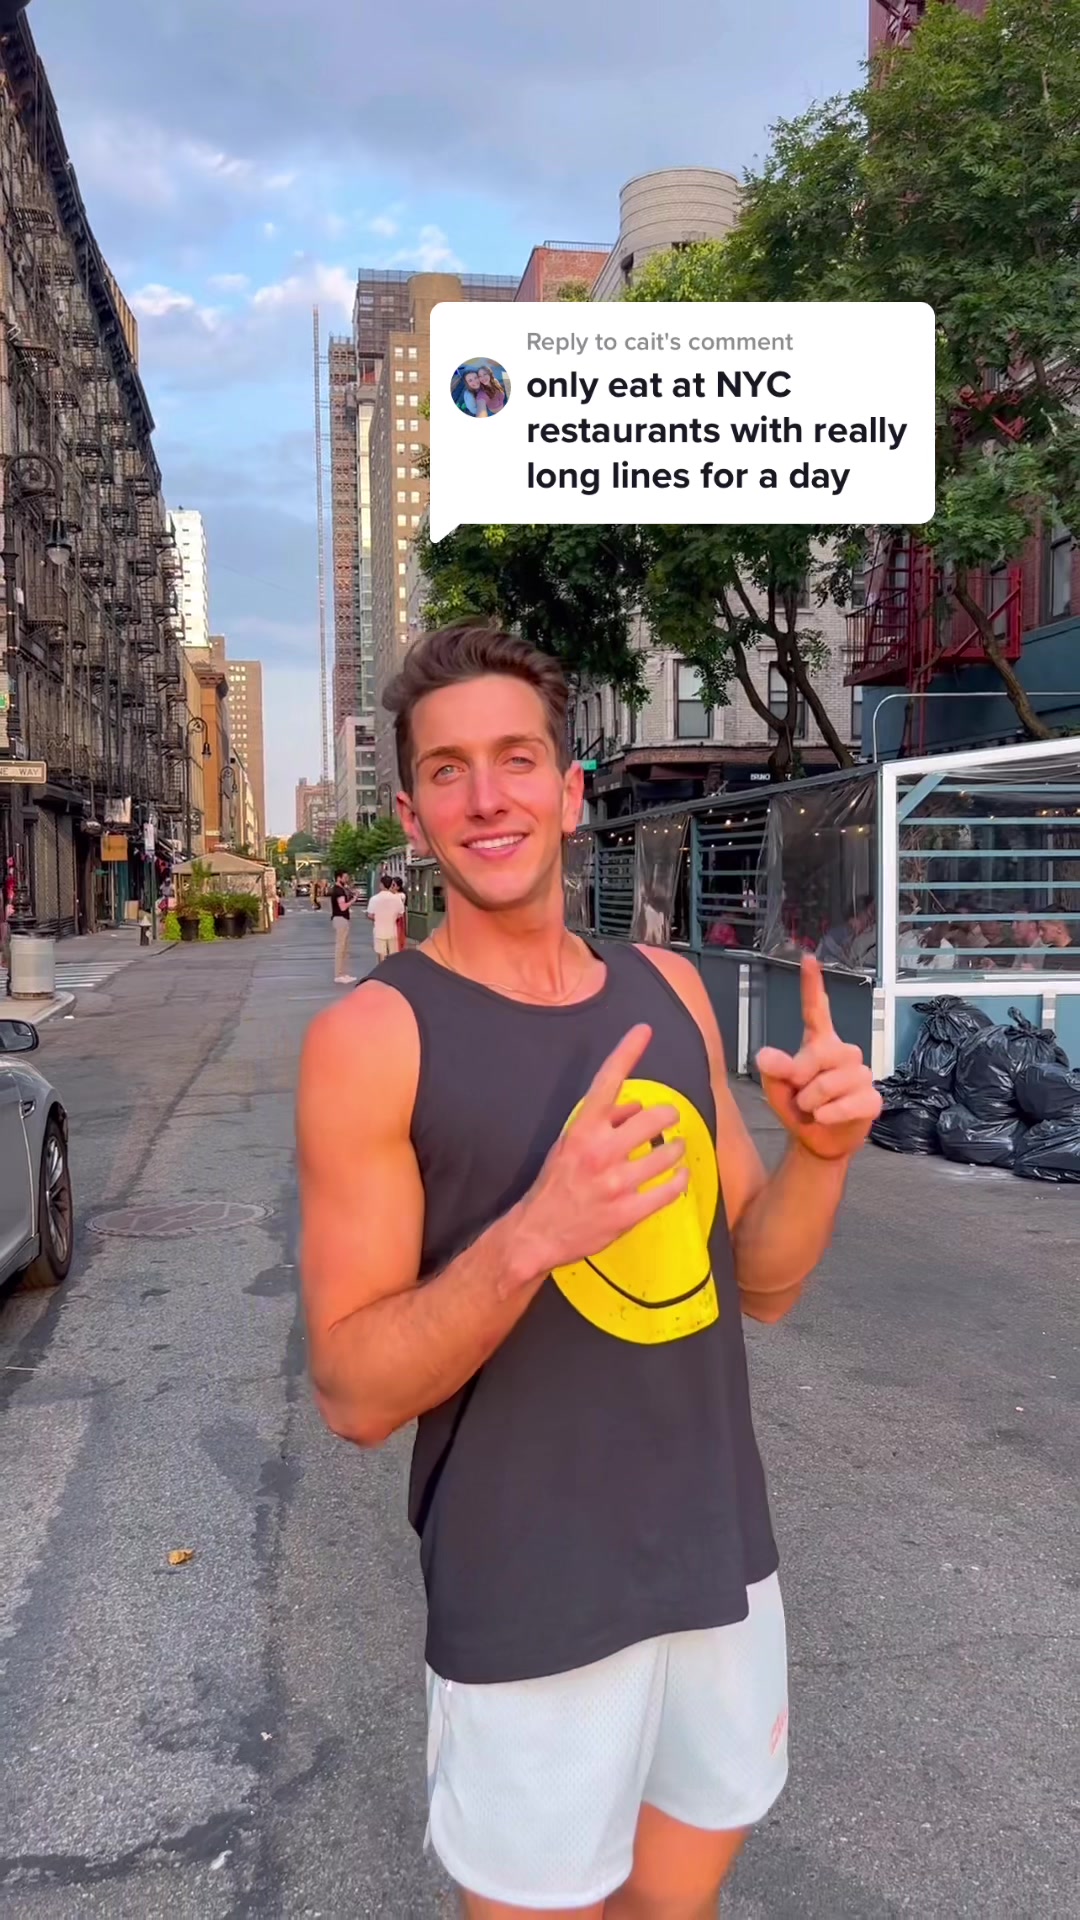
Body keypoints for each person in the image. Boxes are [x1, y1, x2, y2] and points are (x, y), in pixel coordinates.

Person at [297, 624, 881, 1920]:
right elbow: (351, 1392)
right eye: (447, 770)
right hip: (530, 1597)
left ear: (571, 792)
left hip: (717, 1567)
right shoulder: (373, 1041)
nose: (487, 796)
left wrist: (822, 1158)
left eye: (517, 759)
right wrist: (532, 1235)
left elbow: (763, 1282)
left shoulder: (669, 991)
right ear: (412, 817)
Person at [366, 874, 405, 963]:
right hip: (392, 930)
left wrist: (378, 918)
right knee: (393, 956)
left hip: (379, 931)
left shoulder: (374, 899)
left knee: (381, 955)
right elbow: (400, 913)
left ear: (381, 885)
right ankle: (392, 970)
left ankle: (382, 970)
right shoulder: (397, 898)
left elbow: (370, 915)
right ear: (391, 885)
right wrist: (392, 917)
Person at [329, 870, 358, 985]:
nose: (346, 879)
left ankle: (343, 973)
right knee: (341, 947)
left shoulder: (339, 889)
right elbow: (343, 907)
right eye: (345, 877)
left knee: (344, 947)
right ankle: (339, 974)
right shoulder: (339, 891)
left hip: (341, 919)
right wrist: (353, 900)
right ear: (339, 878)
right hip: (341, 918)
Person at [391, 875, 408, 952]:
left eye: (393, 885)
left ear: (398, 887)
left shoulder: (401, 895)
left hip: (398, 917)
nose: (392, 887)